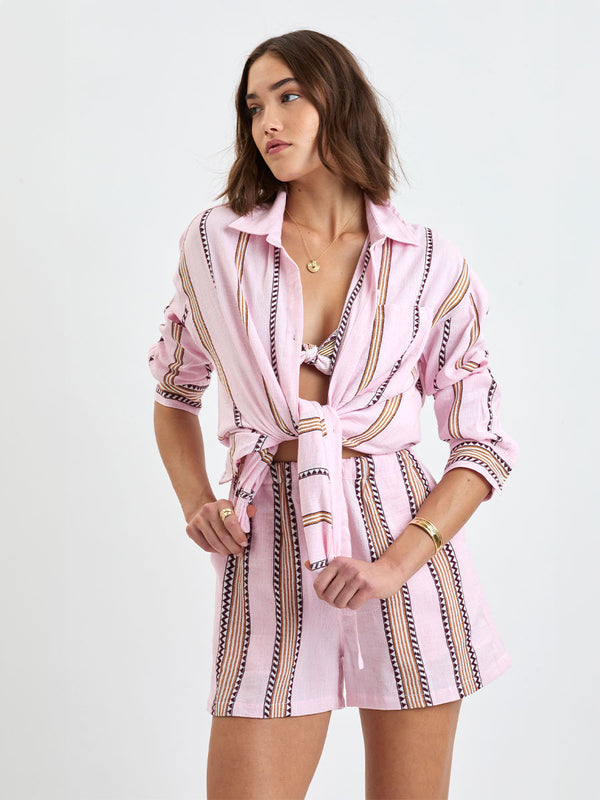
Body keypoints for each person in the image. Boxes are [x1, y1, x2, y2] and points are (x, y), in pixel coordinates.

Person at [147, 29, 519, 800]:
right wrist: (194, 503)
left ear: (339, 104)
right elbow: (174, 394)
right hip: (270, 553)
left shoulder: (429, 263)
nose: (267, 122)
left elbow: (481, 443)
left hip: (402, 559)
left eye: (289, 96)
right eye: (254, 106)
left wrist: (395, 563)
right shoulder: (216, 245)